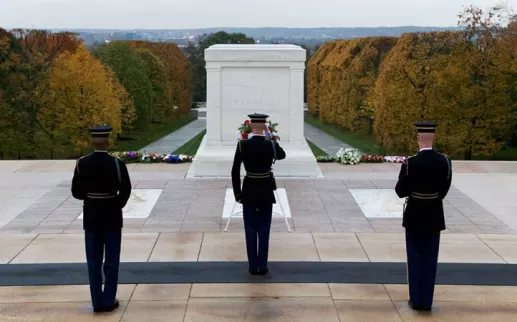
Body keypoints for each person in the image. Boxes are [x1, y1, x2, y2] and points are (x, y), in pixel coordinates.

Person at [71, 125, 132, 313]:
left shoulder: (82, 163)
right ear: (108, 141)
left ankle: (97, 302)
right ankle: (108, 300)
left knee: (94, 261)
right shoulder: (116, 163)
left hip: (91, 217)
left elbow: (76, 192)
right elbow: (126, 189)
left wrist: (91, 198)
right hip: (112, 216)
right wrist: (116, 204)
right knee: (111, 261)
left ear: (92, 142)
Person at [395, 121, 452, 312]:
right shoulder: (445, 161)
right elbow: (444, 190)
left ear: (418, 138)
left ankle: (416, 299)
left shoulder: (410, 163)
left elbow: (400, 192)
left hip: (414, 215)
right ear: (433, 138)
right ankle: (426, 302)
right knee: (430, 259)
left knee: (415, 258)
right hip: (435, 215)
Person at [231, 113, 286, 276]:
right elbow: (282, 155)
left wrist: (237, 193)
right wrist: (273, 138)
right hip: (265, 190)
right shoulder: (270, 145)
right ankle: (262, 266)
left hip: (248, 190)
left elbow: (235, 170)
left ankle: (252, 266)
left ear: (250, 127)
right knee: (264, 228)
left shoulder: (242, 144)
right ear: (265, 127)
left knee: (250, 228)